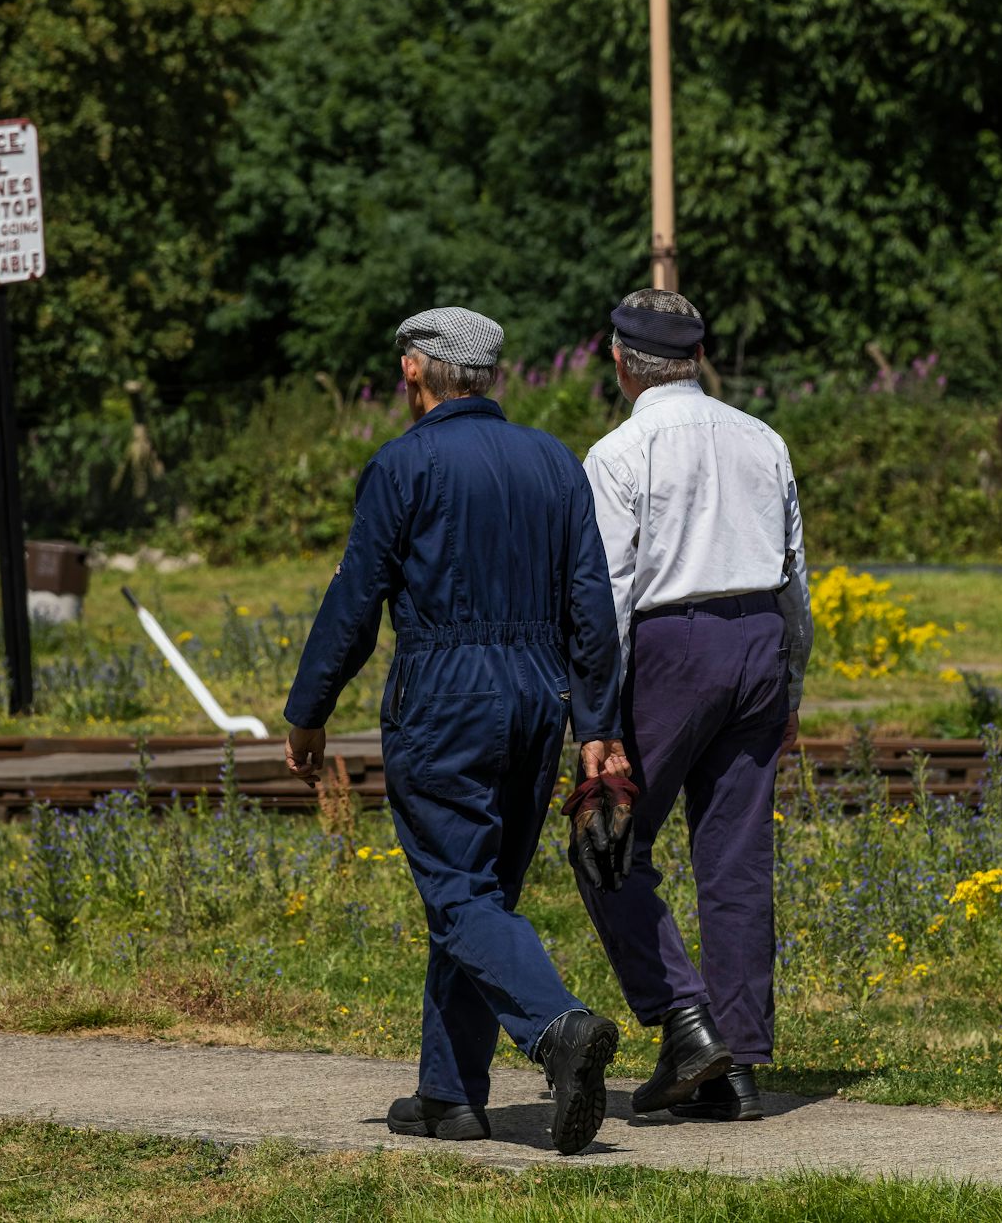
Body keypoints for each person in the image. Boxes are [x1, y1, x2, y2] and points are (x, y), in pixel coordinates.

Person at [283, 305, 631, 1156]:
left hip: (443, 696)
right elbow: (591, 604)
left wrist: (308, 710)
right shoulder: (553, 461)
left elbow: (355, 602)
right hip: (535, 697)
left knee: (458, 892)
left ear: (414, 370)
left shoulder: (405, 466)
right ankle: (449, 1094)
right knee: (481, 896)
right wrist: (598, 723)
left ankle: (557, 1029)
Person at [575, 287, 813, 1122]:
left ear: (618, 360)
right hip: (756, 642)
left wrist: (595, 721)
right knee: (737, 862)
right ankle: (737, 1065)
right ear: (698, 357)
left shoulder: (618, 453)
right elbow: (795, 578)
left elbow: (606, 591)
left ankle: (687, 1022)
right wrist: (790, 680)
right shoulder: (764, 439)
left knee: (604, 840)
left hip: (673, 646)